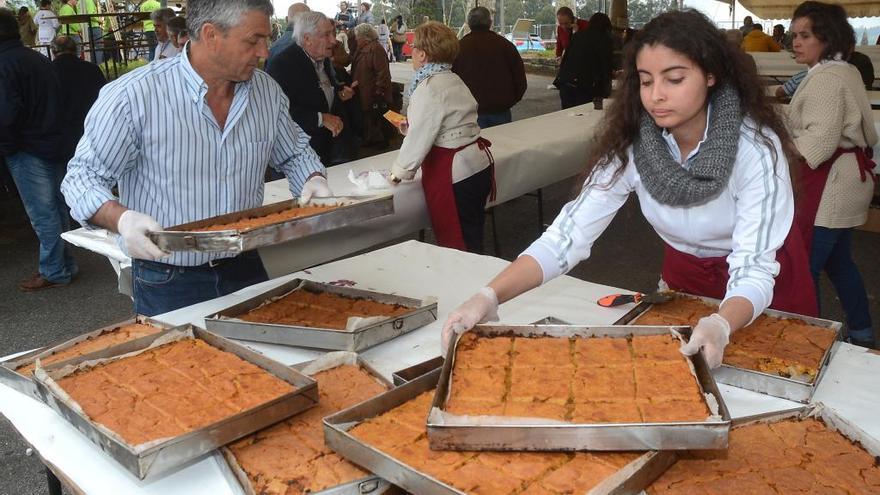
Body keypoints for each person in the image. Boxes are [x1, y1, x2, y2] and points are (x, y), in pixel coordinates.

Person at [441, 9, 818, 368]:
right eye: (645, 80)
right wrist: (488, 296)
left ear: (710, 75)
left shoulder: (754, 149)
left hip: (761, 291)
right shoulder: (633, 146)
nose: (656, 96)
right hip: (684, 282)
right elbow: (566, 238)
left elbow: (754, 269)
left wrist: (721, 322)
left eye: (674, 79)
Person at [61, 0, 334, 316]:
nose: (265, 52)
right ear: (211, 34)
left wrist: (313, 178)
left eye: (267, 39)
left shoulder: (266, 92)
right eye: (253, 40)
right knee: (179, 365)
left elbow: (296, 152)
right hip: (168, 277)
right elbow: (82, 178)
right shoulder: (133, 97)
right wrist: (122, 219)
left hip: (246, 264)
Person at [787, 1, 878, 348]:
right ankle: (862, 333)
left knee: (803, 268)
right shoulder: (847, 71)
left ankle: (808, 345)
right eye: (795, 35)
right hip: (846, 179)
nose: (796, 42)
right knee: (840, 265)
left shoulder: (826, 80)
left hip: (830, 185)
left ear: (827, 38)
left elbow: (818, 145)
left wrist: (774, 141)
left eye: (805, 35)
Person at [389, 21, 494, 254]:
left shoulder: (428, 87)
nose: (411, 50)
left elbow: (419, 139)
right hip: (475, 164)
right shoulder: (453, 79)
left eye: (413, 46)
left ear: (423, 54)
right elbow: (444, 123)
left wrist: (398, 173)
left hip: (454, 172)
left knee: (456, 240)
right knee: (471, 234)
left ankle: (466, 285)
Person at [0, 9, 78, 291]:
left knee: (42, 213)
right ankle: (64, 264)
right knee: (57, 209)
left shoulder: (4, 64)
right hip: (52, 140)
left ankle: (55, 269)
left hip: (26, 147)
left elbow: (6, 114)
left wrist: (7, 147)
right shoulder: (37, 59)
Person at [266, 12, 358, 165]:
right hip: (297, 157)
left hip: (327, 149)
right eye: (327, 35)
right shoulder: (283, 64)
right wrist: (321, 118)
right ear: (307, 39)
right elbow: (277, 111)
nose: (334, 41)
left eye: (333, 34)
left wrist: (339, 93)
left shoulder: (323, 58)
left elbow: (323, 90)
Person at [453, 6, 526, 128]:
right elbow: (520, 79)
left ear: (469, 24)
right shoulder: (506, 46)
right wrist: (509, 101)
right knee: (504, 145)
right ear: (490, 22)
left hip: (469, 112)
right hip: (501, 110)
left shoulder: (458, 48)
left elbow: (451, 81)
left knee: (476, 146)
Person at [51, 35, 106, 162]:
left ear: (54, 52)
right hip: (92, 130)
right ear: (76, 50)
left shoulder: (49, 70)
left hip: (62, 135)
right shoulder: (92, 69)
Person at [554, 12, 614, 109]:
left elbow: (566, 57)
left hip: (566, 81)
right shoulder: (604, 39)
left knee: (567, 115)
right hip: (585, 84)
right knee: (584, 115)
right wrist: (604, 89)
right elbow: (605, 65)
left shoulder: (578, 35)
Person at [352, 22, 391, 147]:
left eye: (358, 36)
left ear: (365, 37)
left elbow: (382, 72)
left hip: (373, 91)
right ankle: (371, 140)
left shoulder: (375, 49)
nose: (356, 39)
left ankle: (378, 141)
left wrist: (379, 91)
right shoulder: (364, 48)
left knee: (375, 117)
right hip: (365, 89)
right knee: (369, 116)